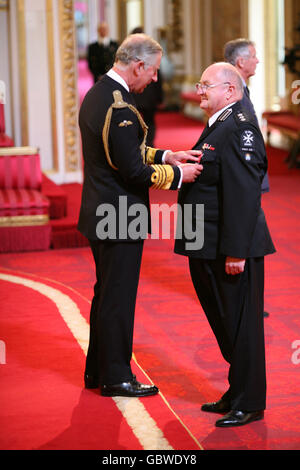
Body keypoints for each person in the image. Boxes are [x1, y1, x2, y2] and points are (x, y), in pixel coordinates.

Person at [78, 33, 203, 398]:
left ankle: (97, 370)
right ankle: (116, 377)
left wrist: (166, 156)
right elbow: (132, 170)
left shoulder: (100, 93)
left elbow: (125, 151)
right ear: (138, 65)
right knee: (117, 299)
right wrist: (180, 176)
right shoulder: (119, 106)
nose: (154, 79)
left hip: (101, 210)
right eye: (153, 72)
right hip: (117, 216)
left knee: (106, 295)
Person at [174, 62, 275, 427]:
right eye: (199, 84)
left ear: (230, 91)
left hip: (230, 248)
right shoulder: (220, 123)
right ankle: (237, 391)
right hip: (208, 244)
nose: (200, 91)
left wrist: (237, 250)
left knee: (241, 325)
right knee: (224, 321)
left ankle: (250, 402)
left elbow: (244, 194)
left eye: (206, 85)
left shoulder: (239, 128)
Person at [224, 38, 270, 194]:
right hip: (243, 170)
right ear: (241, 62)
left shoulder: (239, 87)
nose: (257, 61)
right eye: (254, 56)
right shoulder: (233, 92)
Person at [131, 27, 164, 147]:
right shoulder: (151, 53)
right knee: (149, 121)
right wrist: (160, 97)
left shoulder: (129, 55)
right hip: (148, 95)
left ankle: (143, 144)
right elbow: (158, 76)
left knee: (137, 120)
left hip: (137, 94)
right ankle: (149, 144)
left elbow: (158, 75)